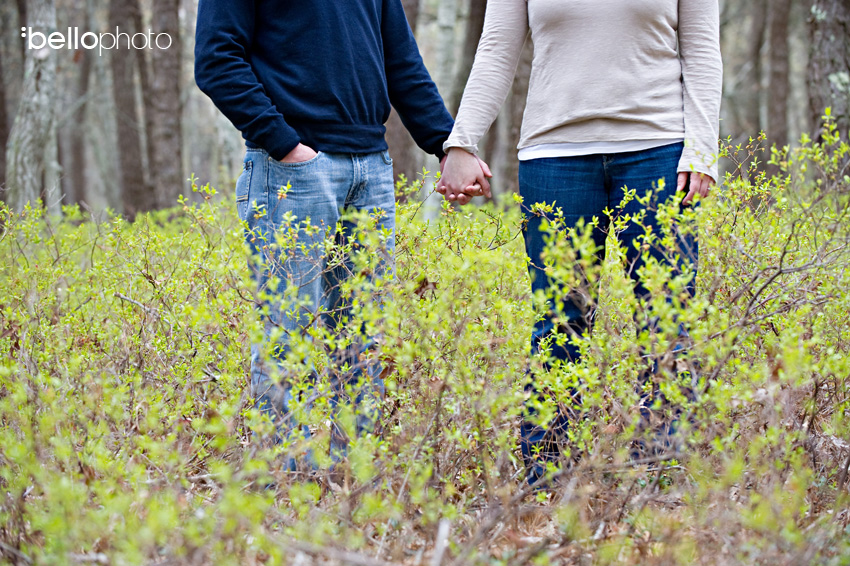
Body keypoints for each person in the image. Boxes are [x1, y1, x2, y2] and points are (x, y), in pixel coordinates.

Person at [439, 0, 722, 484]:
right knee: (560, 316)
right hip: (555, 154)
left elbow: (701, 52)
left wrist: (701, 149)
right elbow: (496, 50)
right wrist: (462, 143)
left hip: (657, 150)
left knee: (665, 315)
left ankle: (659, 475)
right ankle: (543, 476)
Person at [194, 0, 483, 470]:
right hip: (292, 171)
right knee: (288, 331)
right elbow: (215, 60)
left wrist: (449, 145)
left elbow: (402, 64)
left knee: (364, 333)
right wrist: (286, 144)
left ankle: (355, 482)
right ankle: (287, 488)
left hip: (370, 167)